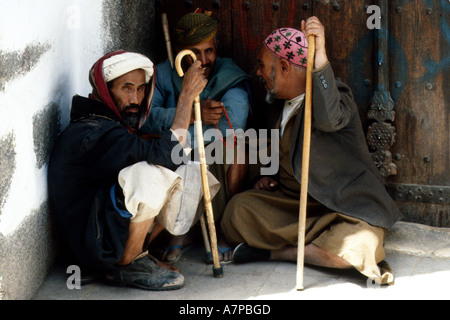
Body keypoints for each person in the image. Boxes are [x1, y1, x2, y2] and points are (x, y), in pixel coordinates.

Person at [221, 17, 402, 285]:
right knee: (236, 212)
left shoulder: (335, 97)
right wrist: (268, 177)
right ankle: (312, 247)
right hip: (291, 204)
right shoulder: (277, 102)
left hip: (339, 207)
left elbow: (330, 119)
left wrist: (321, 59)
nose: (257, 71)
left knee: (361, 245)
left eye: (262, 65)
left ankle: (279, 253)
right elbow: (280, 152)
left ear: (284, 67)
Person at [48, 50, 208, 291]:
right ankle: (126, 264)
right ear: (106, 90)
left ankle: (137, 255)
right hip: (91, 247)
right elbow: (167, 155)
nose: (136, 98)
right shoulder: (96, 133)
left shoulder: (105, 124)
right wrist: (185, 98)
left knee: (191, 174)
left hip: (97, 234)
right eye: (127, 88)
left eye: (141, 89)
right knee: (152, 174)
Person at [141, 10, 251, 264]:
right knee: (160, 149)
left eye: (209, 51)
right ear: (180, 51)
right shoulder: (163, 74)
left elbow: (229, 129)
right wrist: (189, 110)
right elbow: (145, 120)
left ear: (217, 47)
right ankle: (180, 231)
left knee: (236, 148)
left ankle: (223, 230)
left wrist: (177, 129)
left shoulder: (230, 77)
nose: (203, 60)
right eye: (195, 53)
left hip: (215, 159)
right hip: (172, 156)